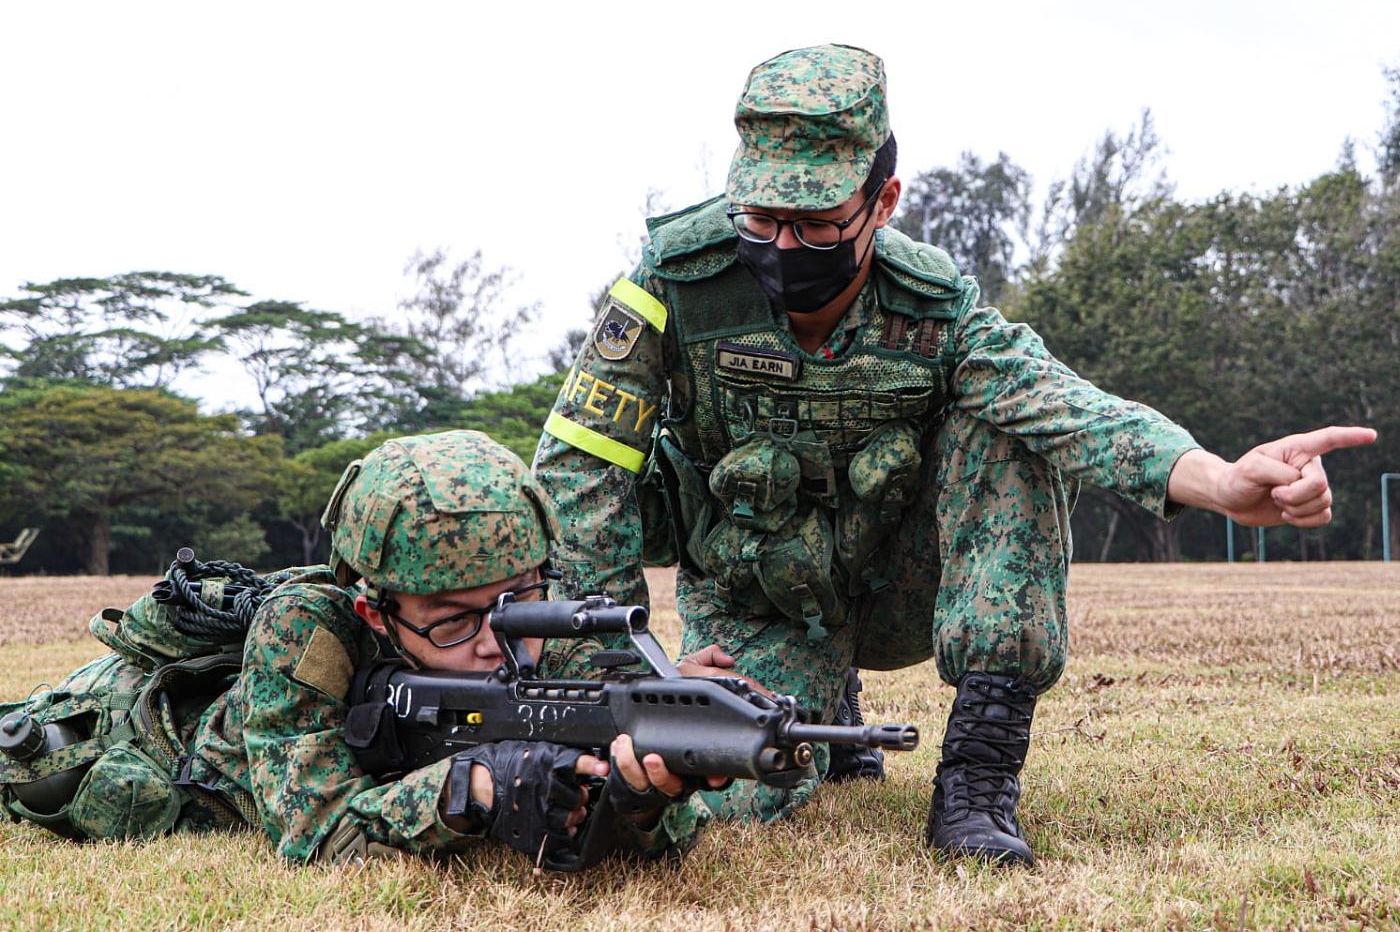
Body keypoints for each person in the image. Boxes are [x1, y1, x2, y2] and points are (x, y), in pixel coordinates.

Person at [531, 44, 1377, 865]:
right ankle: (827, 710)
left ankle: (977, 778)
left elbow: (1063, 406)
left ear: (883, 201)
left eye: (817, 224)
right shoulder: (673, 280)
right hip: (763, 591)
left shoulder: (936, 307)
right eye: (761, 220)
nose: (783, 248)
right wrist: (621, 670)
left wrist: (1222, 482)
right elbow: (582, 469)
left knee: (1008, 426)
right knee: (726, 793)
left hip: (908, 583)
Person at [0, 430, 706, 866]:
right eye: (455, 622)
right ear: (375, 609)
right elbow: (314, 835)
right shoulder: (310, 628)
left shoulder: (547, 618)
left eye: (518, 605)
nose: (500, 644)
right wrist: (472, 787)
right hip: (146, 730)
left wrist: (638, 797)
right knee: (45, 767)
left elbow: (659, 817)